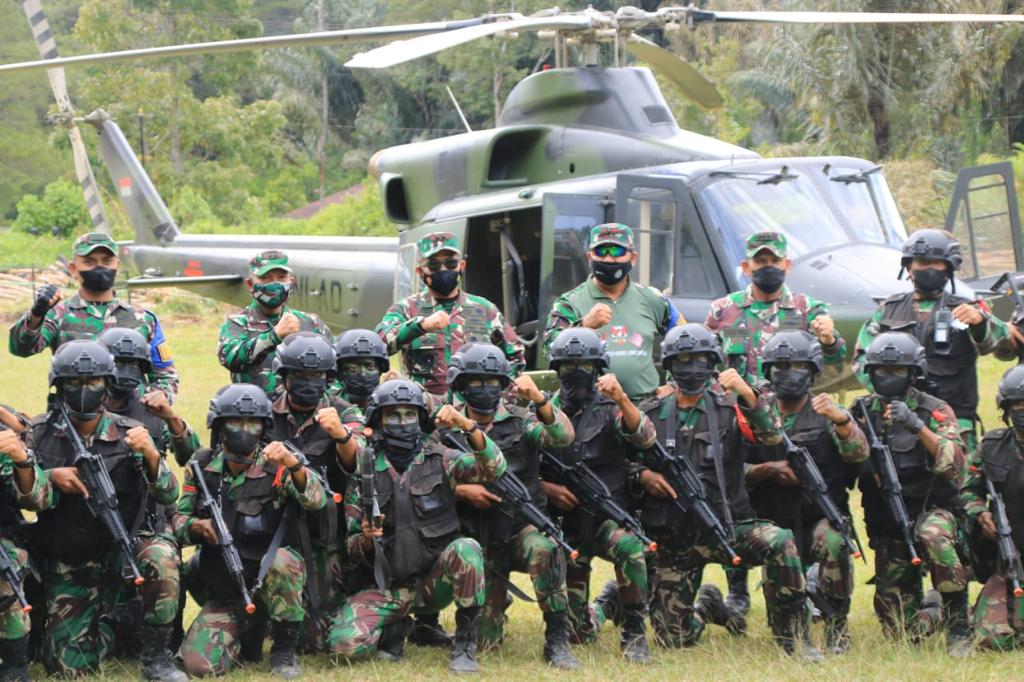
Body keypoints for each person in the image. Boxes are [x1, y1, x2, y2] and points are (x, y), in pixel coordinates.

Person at [631, 323, 822, 661]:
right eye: (684, 359)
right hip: (677, 538)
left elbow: (772, 438)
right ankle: (708, 608)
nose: (692, 368)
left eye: (701, 359)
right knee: (672, 638)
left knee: (781, 541)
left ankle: (793, 635)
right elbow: (626, 462)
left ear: (713, 363)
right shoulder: (650, 412)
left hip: (731, 526)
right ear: (670, 365)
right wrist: (643, 475)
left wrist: (748, 395)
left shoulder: (731, 407)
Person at [25, 340, 184, 679]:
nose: (84, 390)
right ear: (59, 386)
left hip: (121, 550)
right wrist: (50, 477)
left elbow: (170, 494)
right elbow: (26, 498)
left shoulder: (131, 434)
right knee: (69, 667)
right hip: (69, 560)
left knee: (161, 555)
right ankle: (119, 620)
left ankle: (156, 657)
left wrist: (152, 456)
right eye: (74, 382)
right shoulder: (39, 435)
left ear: (107, 384)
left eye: (94, 382)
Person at [706, 231, 845, 616]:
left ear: (787, 264)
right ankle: (738, 589)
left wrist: (830, 339)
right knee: (739, 496)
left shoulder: (807, 308)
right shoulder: (723, 311)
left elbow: (835, 363)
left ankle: (812, 582)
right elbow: (706, 363)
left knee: (801, 492)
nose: (767, 267)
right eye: (759, 261)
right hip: (741, 421)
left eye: (774, 261)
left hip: (793, 416)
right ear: (746, 266)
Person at [325, 379, 505, 674]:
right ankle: (396, 626)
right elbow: (352, 544)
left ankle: (464, 644)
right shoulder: (365, 469)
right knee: (344, 645)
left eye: (410, 415)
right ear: (378, 420)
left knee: (466, 549)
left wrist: (468, 426)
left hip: (435, 583)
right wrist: (368, 539)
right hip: (389, 587)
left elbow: (494, 468)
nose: (402, 423)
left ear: (420, 419)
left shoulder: (442, 459)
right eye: (392, 416)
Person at [440, 343, 579, 669]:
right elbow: (430, 471)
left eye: (492, 382)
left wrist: (540, 400)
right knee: (487, 641)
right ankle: (460, 634)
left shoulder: (521, 421)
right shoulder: (447, 425)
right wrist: (461, 490)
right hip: (475, 537)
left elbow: (562, 436)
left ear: (504, 386)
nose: (485, 389)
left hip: (519, 528)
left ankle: (556, 640)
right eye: (475, 382)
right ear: (461, 385)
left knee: (546, 546)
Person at [174, 383, 326, 679]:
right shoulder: (201, 467)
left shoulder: (278, 466)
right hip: (227, 585)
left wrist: (295, 465)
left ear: (264, 427)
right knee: (198, 666)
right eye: (235, 422)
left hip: (270, 581)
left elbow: (316, 500)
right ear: (219, 427)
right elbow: (178, 519)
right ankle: (246, 631)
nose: (244, 430)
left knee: (284, 561)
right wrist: (194, 527)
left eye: (252, 423)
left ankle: (283, 650)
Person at [743, 331, 868, 653]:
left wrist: (842, 422)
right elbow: (731, 469)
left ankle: (836, 624)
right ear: (769, 371)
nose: (789, 374)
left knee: (835, 540)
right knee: (783, 620)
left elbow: (858, 454)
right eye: (781, 366)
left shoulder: (827, 411)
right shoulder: (753, 413)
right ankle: (777, 619)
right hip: (767, 521)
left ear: (812, 370)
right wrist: (767, 470)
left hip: (817, 516)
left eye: (798, 366)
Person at [538, 328, 656, 663]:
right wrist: (549, 489)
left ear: (598, 367)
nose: (576, 374)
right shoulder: (544, 410)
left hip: (605, 520)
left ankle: (634, 630)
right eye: (568, 367)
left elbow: (645, 437)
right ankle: (604, 605)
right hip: (565, 528)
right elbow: (525, 465)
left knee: (632, 546)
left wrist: (622, 398)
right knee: (579, 635)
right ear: (557, 370)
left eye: (586, 366)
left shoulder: (612, 405)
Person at [851, 332, 970, 656]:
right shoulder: (861, 411)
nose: (888, 379)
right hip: (890, 523)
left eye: (898, 372)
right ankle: (934, 609)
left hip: (934, 510)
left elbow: (955, 462)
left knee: (933, 536)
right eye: (881, 372)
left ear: (914, 373)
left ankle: (959, 623)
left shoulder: (935, 408)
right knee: (900, 631)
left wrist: (916, 425)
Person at [854, 229, 1015, 453]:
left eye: (936, 263)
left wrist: (980, 323)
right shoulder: (888, 311)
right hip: (897, 419)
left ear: (949, 267)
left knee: (956, 483)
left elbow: (1001, 346)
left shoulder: (969, 309)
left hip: (953, 423)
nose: (928, 268)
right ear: (909, 267)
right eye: (921, 261)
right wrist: (888, 391)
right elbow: (861, 358)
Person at [267, 332, 362, 651]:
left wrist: (341, 435)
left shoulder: (344, 412)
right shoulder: (265, 413)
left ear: (328, 377)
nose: (308, 382)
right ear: (284, 377)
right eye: (300, 375)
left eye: (316, 375)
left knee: (319, 641)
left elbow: (360, 461)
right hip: (274, 529)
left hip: (326, 534)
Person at [8, 232, 179, 401]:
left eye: (106, 261)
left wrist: (158, 399)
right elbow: (21, 348)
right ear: (73, 269)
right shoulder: (58, 314)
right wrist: (37, 314)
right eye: (89, 262)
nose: (99, 267)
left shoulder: (144, 319)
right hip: (74, 421)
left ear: (117, 265)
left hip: (131, 422)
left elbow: (165, 376)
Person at [376, 231, 525, 399]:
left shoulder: (484, 309)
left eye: (450, 263)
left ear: (461, 266)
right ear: (420, 271)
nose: (443, 270)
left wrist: (503, 396)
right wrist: (420, 326)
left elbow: (515, 355)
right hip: (429, 412)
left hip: (476, 411)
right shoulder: (406, 308)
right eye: (433, 266)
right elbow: (379, 344)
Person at [543, 223, 681, 402]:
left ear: (633, 258)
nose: (608, 260)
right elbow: (549, 348)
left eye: (616, 252)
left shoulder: (653, 299)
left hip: (645, 409)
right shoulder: (569, 303)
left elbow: (685, 335)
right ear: (589, 257)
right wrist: (583, 325)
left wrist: (673, 385)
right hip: (592, 412)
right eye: (601, 252)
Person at [961, 364, 1024, 650]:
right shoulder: (990, 447)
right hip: (1009, 561)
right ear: (1006, 408)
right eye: (1018, 405)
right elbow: (966, 492)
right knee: (992, 640)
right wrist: (981, 514)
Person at [218, 250, 331, 395]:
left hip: (301, 412)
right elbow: (230, 359)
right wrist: (273, 336)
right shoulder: (238, 323)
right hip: (256, 411)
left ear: (291, 282)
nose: (274, 284)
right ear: (250, 284)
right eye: (265, 278)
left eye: (281, 278)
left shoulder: (312, 325)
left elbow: (334, 373)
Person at [0, 406, 54, 682]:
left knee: (9, 563)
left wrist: (21, 460)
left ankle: (15, 665)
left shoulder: (5, 428)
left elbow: (41, 499)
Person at [99, 327, 199, 467]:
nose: (125, 371)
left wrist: (171, 419)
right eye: (118, 363)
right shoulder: (84, 406)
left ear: (142, 368)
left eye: (133, 364)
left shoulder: (152, 409)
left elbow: (192, 459)